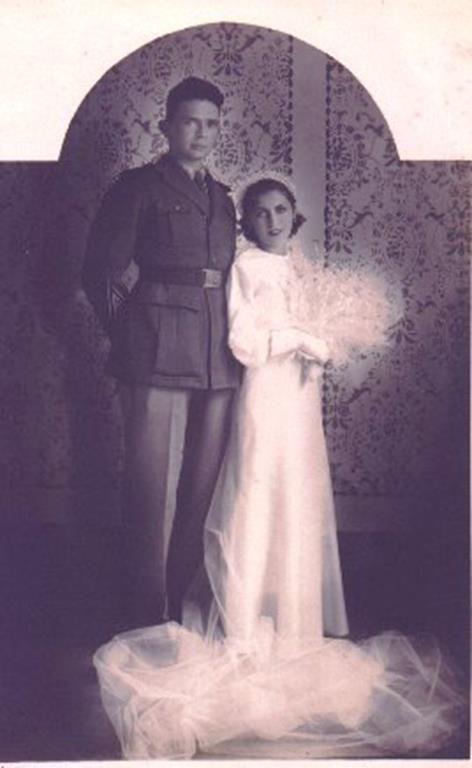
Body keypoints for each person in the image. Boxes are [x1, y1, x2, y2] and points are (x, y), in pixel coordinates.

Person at [93, 176, 464, 760]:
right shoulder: (246, 267)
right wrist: (300, 338)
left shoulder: (297, 268)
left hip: (298, 402)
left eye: (281, 210)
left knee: (298, 499)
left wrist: (322, 347)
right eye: (261, 212)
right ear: (246, 222)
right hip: (264, 396)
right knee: (257, 495)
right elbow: (244, 340)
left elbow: (317, 337)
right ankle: (243, 630)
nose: (272, 220)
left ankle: (294, 628)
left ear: (295, 216)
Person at [82, 77, 240, 628]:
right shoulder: (138, 188)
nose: (202, 133)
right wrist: (130, 335)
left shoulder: (222, 198)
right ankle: (145, 617)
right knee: (151, 491)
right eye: (191, 121)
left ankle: (183, 610)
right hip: (153, 352)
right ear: (167, 126)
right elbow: (100, 273)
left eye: (212, 124)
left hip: (218, 356)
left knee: (201, 488)